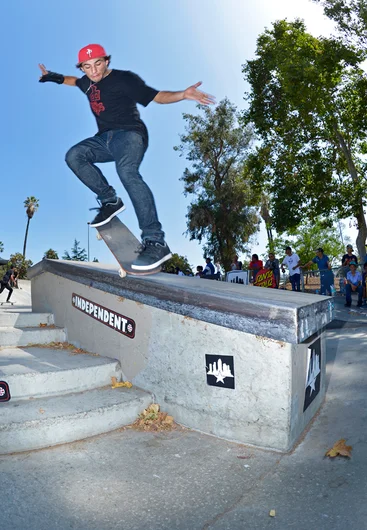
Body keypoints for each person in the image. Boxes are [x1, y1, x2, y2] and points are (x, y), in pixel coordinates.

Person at [39, 44, 215, 271]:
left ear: (106, 61)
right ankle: (110, 200)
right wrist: (53, 77)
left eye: (98, 64)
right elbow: (73, 81)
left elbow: (156, 96)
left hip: (130, 135)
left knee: (127, 172)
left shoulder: (124, 79)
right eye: (87, 67)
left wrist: (183, 94)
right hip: (103, 140)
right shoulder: (87, 82)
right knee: (74, 155)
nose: (93, 71)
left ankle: (155, 241)